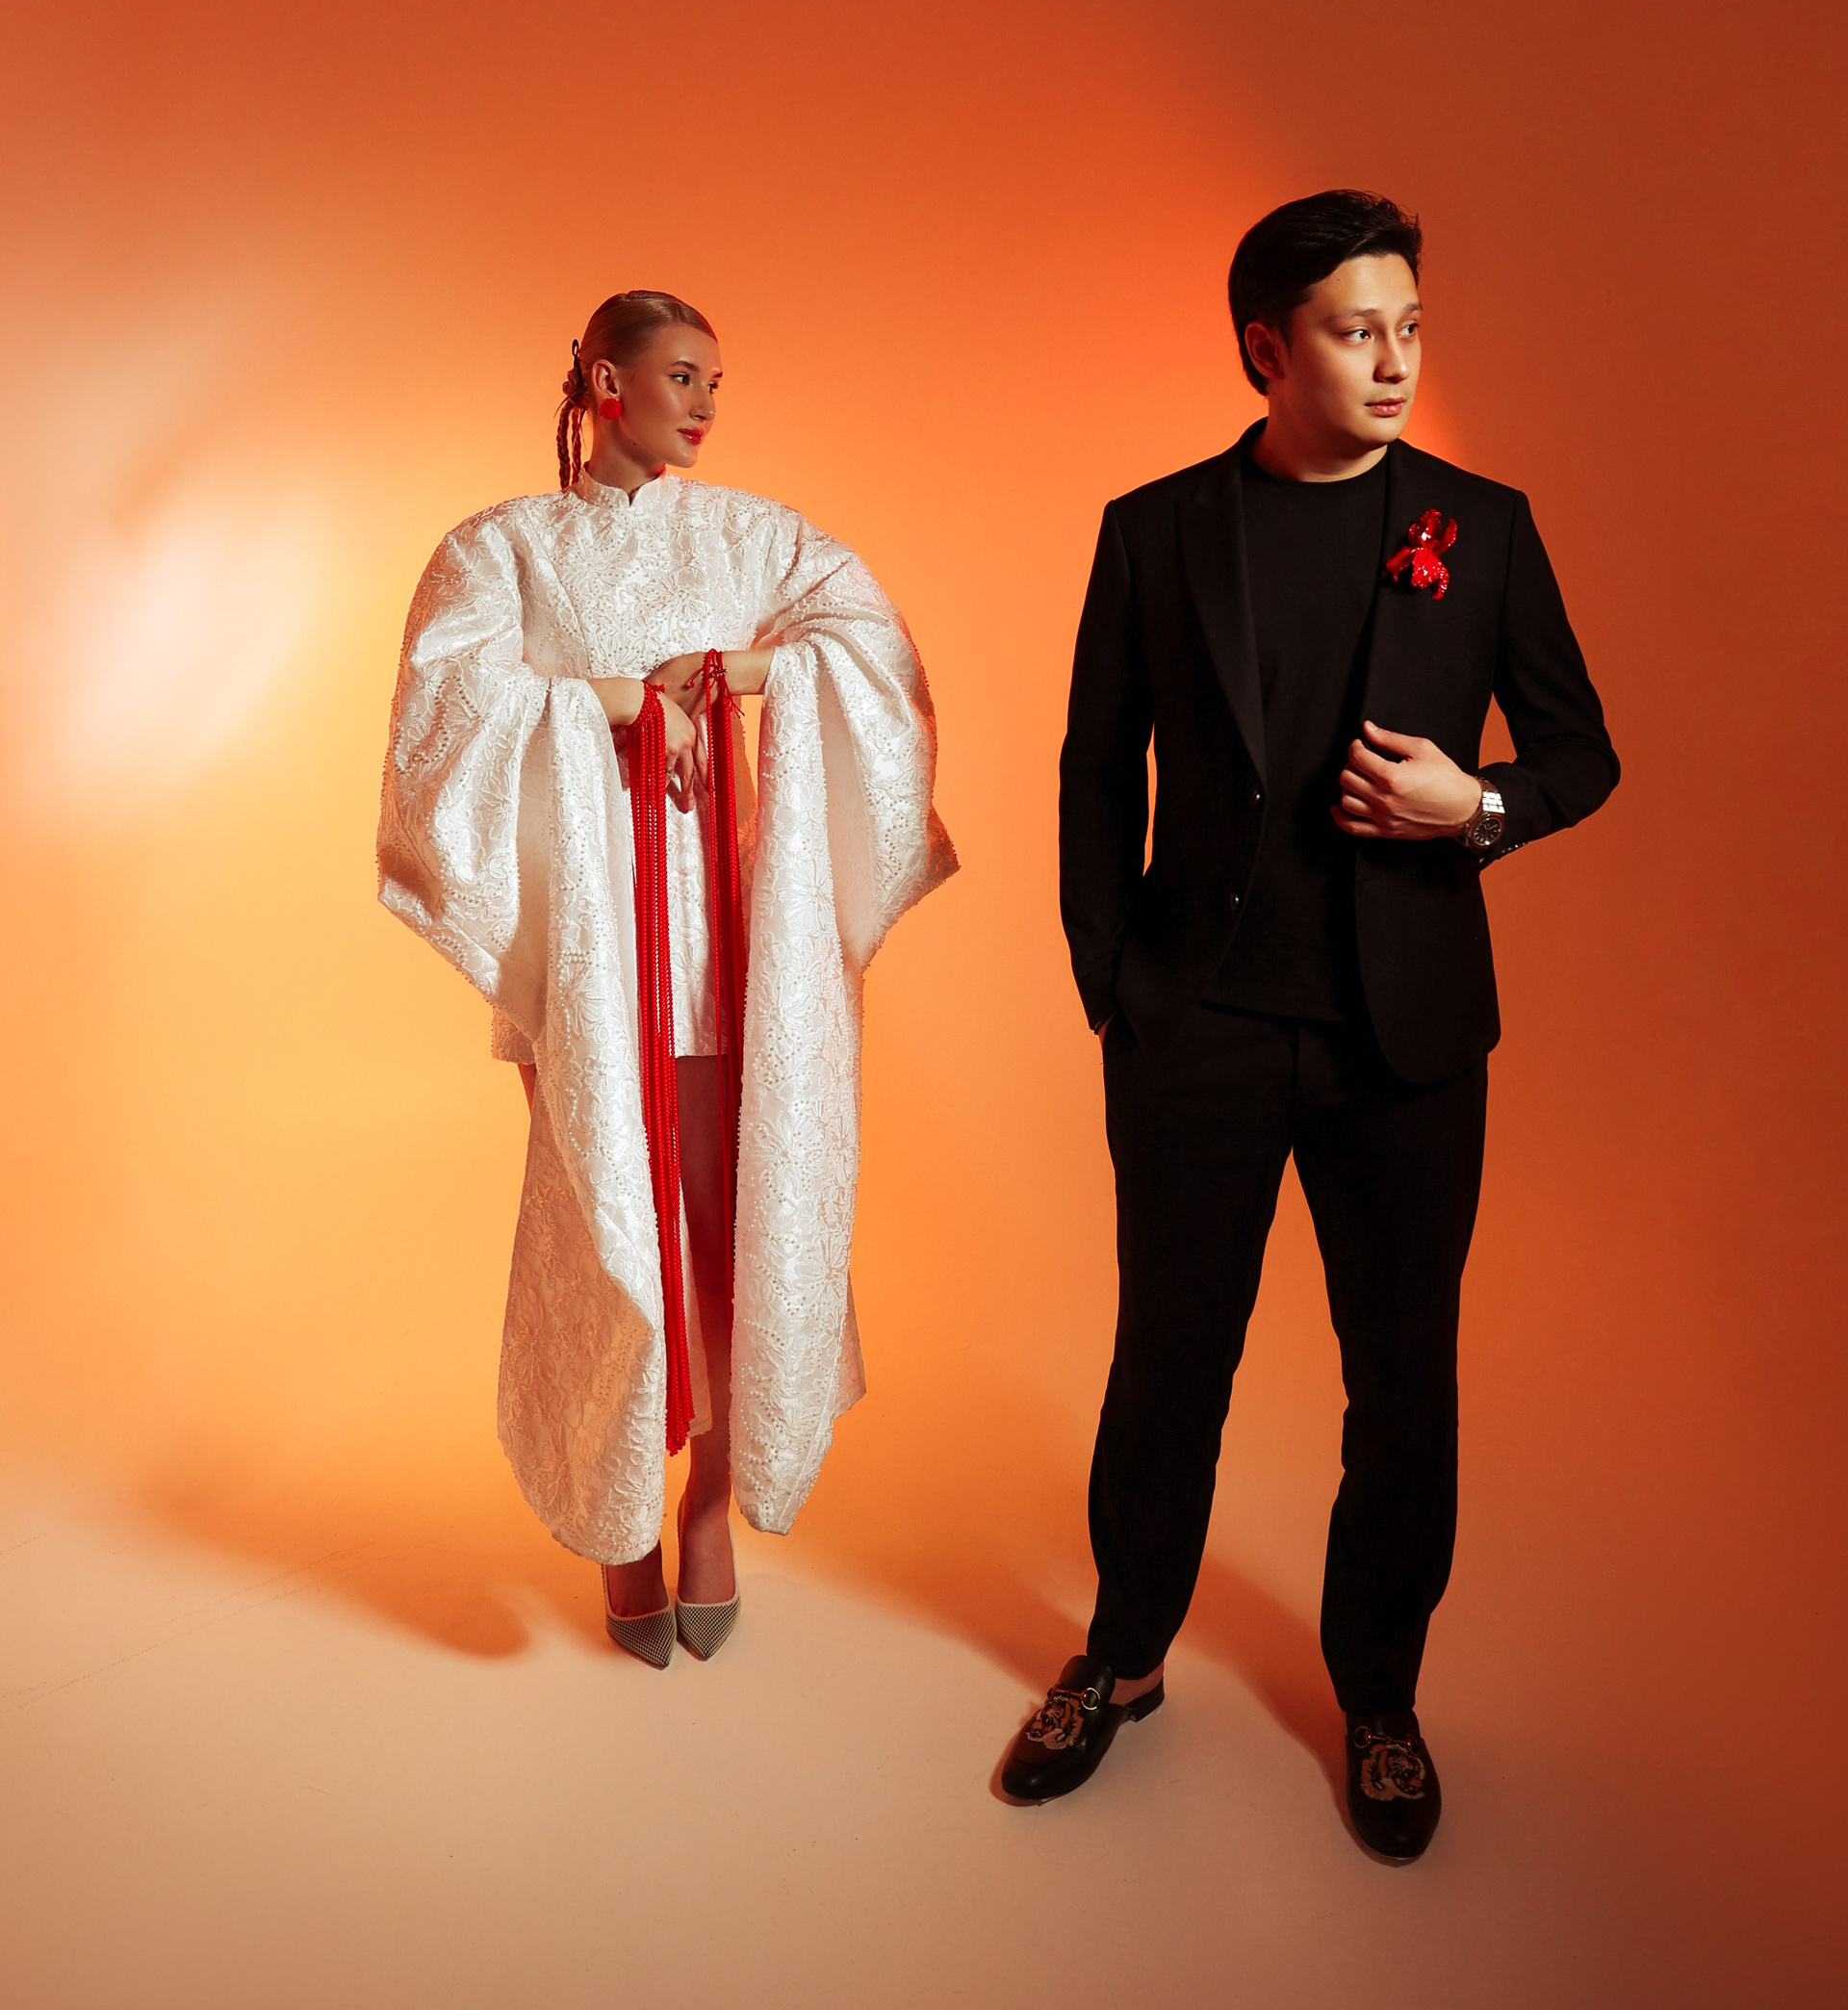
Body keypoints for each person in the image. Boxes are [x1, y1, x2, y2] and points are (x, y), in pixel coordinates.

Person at [1001, 193, 1618, 1858]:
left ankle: (1383, 1698)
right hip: (1194, 1026)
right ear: (1266, 349)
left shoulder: (1483, 526)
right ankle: (1124, 1658)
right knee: (1167, 1364)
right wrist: (1116, 987)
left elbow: (1581, 751)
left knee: (1404, 1380)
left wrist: (1477, 806)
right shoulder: (1154, 530)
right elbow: (1092, 771)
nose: (1396, 360)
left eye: (1411, 327)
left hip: (1402, 1041)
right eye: (1359, 331)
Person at [379, 290, 955, 1664]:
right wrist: (623, 700)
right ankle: (617, 1518)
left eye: (716, 382)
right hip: (593, 960)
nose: (703, 404)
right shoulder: (505, 549)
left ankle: (705, 1505)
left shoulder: (752, 537)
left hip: (731, 951)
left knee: (729, 1233)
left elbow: (871, 655)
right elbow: (444, 719)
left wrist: (737, 670)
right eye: (681, 375)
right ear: (604, 382)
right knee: (611, 1227)